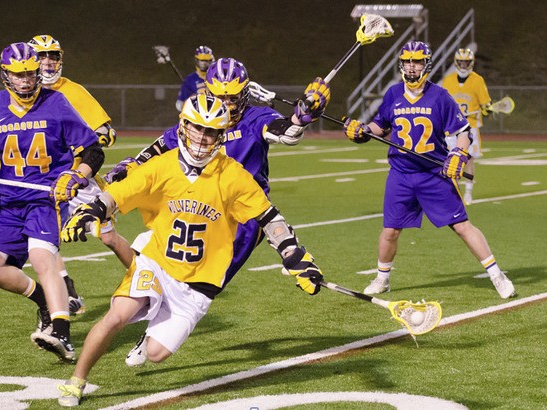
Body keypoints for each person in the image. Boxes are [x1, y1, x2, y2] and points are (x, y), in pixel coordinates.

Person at [56, 94, 325, 406]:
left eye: (210, 131)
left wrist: (292, 253)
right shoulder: (162, 166)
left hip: (200, 281)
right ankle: (76, 381)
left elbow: (269, 217)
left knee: (156, 354)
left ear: (221, 135)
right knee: (118, 315)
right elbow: (117, 194)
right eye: (197, 128)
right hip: (157, 261)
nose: (202, 137)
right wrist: (92, 211)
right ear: (183, 126)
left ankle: (149, 318)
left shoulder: (233, 175)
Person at [103, 57, 330, 365]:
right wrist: (131, 164)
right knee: (167, 255)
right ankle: (149, 309)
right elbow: (158, 148)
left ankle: (159, 329)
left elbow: (286, 132)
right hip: (199, 206)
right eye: (220, 96)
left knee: (208, 281)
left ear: (244, 95)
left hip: (242, 216)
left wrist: (302, 117)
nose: (227, 104)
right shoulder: (201, 120)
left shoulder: (256, 118)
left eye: (232, 97)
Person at [0, 42, 104, 362]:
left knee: (42, 257)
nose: (25, 81)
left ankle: (61, 333)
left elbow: (93, 151)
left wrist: (76, 176)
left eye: (30, 74)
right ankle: (44, 301)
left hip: (45, 200)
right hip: (9, 203)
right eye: (18, 75)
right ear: (5, 75)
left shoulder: (56, 102)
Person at [341, 41, 515, 300]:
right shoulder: (393, 93)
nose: (412, 66)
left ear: (426, 64)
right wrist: (363, 131)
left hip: (433, 174)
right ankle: (382, 279)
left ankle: (497, 275)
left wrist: (459, 153)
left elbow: (463, 132)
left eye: (417, 61)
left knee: (462, 226)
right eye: (408, 61)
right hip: (400, 174)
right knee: (390, 230)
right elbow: (380, 125)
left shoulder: (440, 96)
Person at [28, 34, 131, 315]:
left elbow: (106, 132)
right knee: (42, 234)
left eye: (53, 56)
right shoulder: (23, 98)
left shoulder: (71, 90)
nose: (48, 62)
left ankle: (148, 277)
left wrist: (94, 138)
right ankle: (66, 289)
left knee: (107, 236)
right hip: (43, 179)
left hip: (78, 178)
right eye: (41, 56)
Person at [441, 48, 492, 205]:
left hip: (471, 125)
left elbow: (486, 104)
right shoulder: (448, 80)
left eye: (466, 62)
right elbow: (443, 103)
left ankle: (468, 191)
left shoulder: (477, 80)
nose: (463, 65)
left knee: (468, 159)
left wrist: (486, 110)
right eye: (461, 62)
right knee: (451, 159)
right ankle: (453, 191)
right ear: (456, 62)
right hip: (452, 126)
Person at [175, 46, 215, 111]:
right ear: (197, 60)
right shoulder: (189, 80)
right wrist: (192, 100)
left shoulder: (215, 77)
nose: (204, 63)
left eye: (206, 61)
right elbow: (179, 104)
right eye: (201, 60)